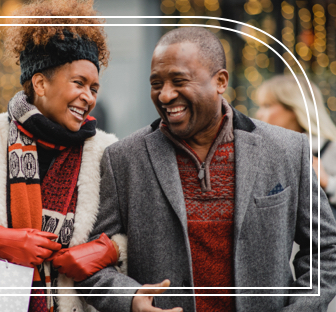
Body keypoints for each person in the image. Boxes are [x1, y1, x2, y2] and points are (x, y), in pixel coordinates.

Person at [76, 27, 336, 312]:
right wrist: (132, 299)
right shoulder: (124, 158)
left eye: (179, 81)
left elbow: (325, 249)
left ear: (220, 81)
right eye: (156, 83)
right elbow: (91, 263)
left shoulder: (287, 149)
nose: (164, 95)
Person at [0, 1, 126, 311]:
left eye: (94, 88)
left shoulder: (106, 151)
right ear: (40, 83)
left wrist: (109, 250)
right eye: (78, 83)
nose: (88, 97)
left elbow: (133, 233)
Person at [256, 75, 336, 218]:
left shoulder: (331, 148)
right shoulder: (262, 152)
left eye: (267, 105)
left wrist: (327, 182)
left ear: (294, 108)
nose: (259, 114)